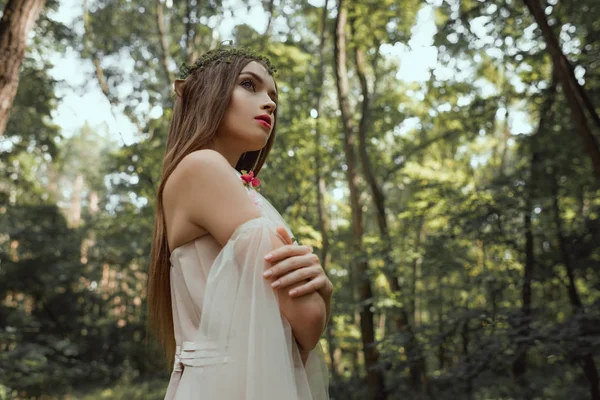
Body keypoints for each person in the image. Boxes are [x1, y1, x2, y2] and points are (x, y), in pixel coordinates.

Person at [147, 45, 333, 399]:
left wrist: (323, 294)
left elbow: (306, 325)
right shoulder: (203, 167)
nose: (270, 103)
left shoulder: (225, 180)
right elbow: (307, 317)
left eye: (272, 95)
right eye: (249, 85)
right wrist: (320, 297)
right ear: (207, 94)